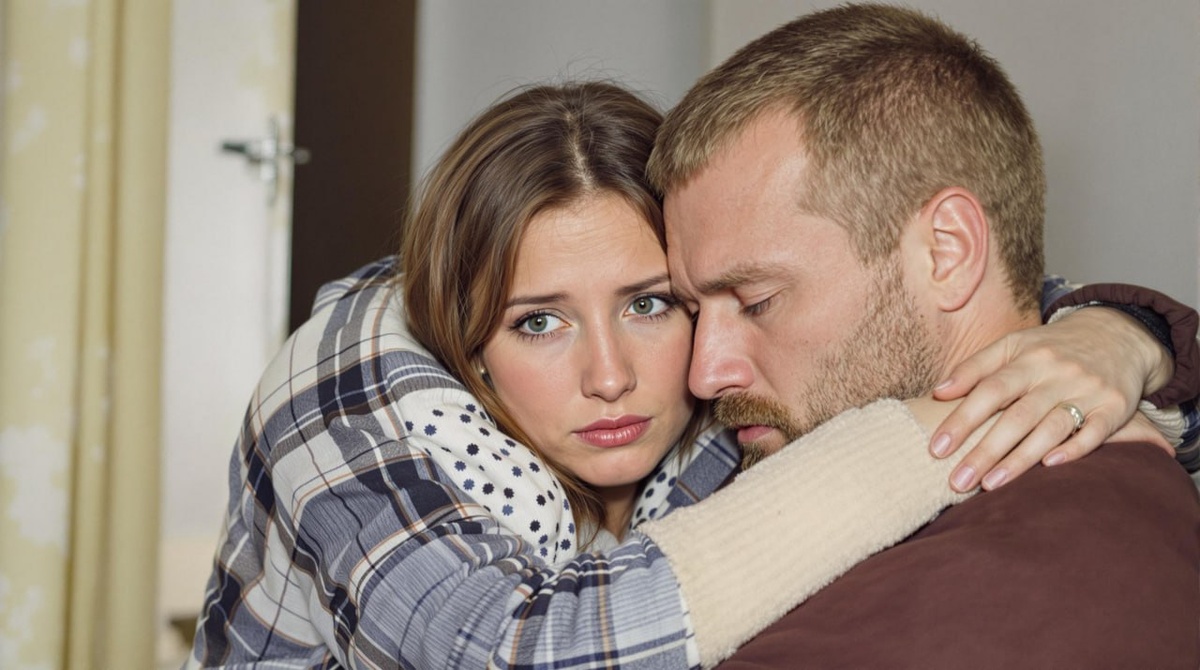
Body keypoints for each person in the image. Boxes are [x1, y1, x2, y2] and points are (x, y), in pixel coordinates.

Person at [187, 82, 1196, 668]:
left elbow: (947, 308)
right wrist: (936, 430)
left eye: (651, 303)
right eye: (538, 322)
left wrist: (1123, 336)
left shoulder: (719, 370)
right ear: (468, 340)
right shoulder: (349, 383)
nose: (611, 377)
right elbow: (517, 650)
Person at [644, 3, 1200, 665]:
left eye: (757, 302)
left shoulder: (1041, 575)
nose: (705, 373)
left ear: (947, 253)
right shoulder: (774, 456)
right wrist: (1132, 330)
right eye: (691, 310)